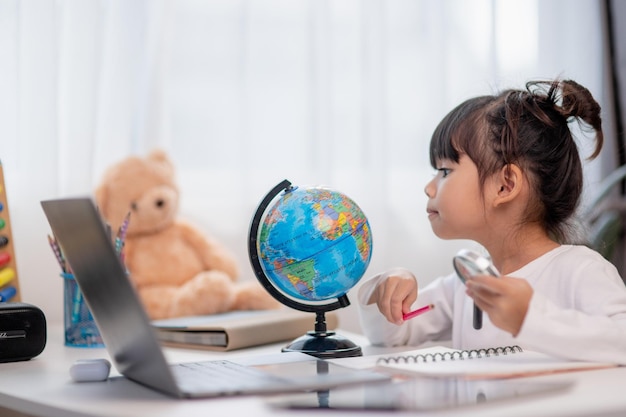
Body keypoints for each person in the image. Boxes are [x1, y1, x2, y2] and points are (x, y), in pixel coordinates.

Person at [358, 79, 626, 364]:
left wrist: (530, 317)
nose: (429, 187)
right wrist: (383, 291)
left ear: (505, 185)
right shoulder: (463, 285)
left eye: (445, 171)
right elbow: (392, 336)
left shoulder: (579, 269)